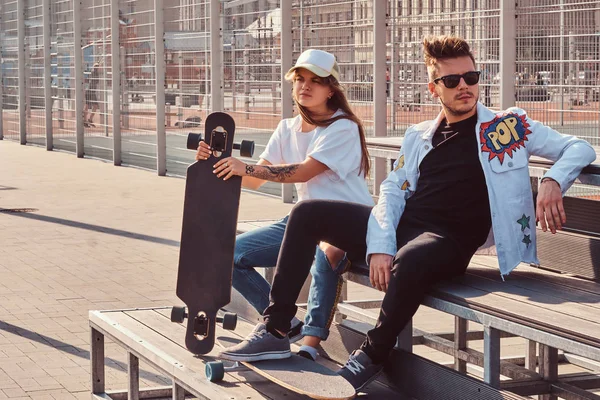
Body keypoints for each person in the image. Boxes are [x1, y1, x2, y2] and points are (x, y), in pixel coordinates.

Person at [219, 35, 597, 390]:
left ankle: (371, 354)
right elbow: (391, 193)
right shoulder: (419, 136)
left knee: (410, 260)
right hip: (404, 227)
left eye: (471, 76)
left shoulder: (508, 126)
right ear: (434, 89)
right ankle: (276, 329)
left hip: (448, 239)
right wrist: (380, 243)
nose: (464, 86)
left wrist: (552, 180)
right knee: (308, 213)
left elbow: (579, 148)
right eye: (451, 80)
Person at [195, 49, 375, 362]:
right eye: (300, 79)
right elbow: (253, 180)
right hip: (305, 219)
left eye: (316, 81)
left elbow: (303, 171)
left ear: (331, 88)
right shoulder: (286, 128)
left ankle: (310, 344)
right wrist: (217, 161)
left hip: (350, 219)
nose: (306, 86)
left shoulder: (342, 127)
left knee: (326, 254)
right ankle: (284, 325)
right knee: (229, 256)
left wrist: (245, 168)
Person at [84, 63, 100, 127]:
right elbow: (94, 72)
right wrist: (96, 67)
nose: (97, 67)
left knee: (91, 106)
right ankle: (85, 120)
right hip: (90, 91)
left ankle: (88, 119)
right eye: (96, 66)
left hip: (91, 91)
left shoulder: (95, 72)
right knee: (89, 106)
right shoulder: (94, 72)